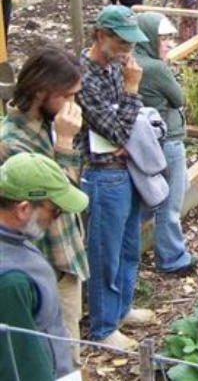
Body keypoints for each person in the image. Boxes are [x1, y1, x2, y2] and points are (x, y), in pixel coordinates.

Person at [0, 46, 87, 362]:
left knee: (71, 343)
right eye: (68, 95)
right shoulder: (12, 144)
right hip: (48, 263)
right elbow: (60, 199)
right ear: (40, 91)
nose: (73, 105)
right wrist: (64, 145)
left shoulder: (50, 122)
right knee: (61, 357)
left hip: (67, 256)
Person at [76, 5, 155, 350]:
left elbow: (130, 125)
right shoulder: (83, 75)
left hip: (126, 168)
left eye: (130, 44)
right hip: (101, 173)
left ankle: (121, 309)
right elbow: (120, 130)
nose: (127, 51)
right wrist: (132, 91)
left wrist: (126, 122)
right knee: (104, 253)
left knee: (128, 246)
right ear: (100, 35)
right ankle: (103, 326)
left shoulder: (115, 66)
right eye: (121, 43)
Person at [0, 153, 88, 380]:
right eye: (55, 210)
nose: (57, 217)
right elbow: (21, 364)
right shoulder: (11, 281)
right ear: (23, 209)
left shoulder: (14, 241)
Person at [134, 12, 198, 274]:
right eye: (163, 38)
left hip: (146, 141)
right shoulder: (155, 68)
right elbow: (178, 97)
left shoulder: (131, 62)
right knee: (169, 203)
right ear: (149, 38)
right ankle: (172, 257)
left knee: (151, 199)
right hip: (167, 140)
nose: (169, 44)